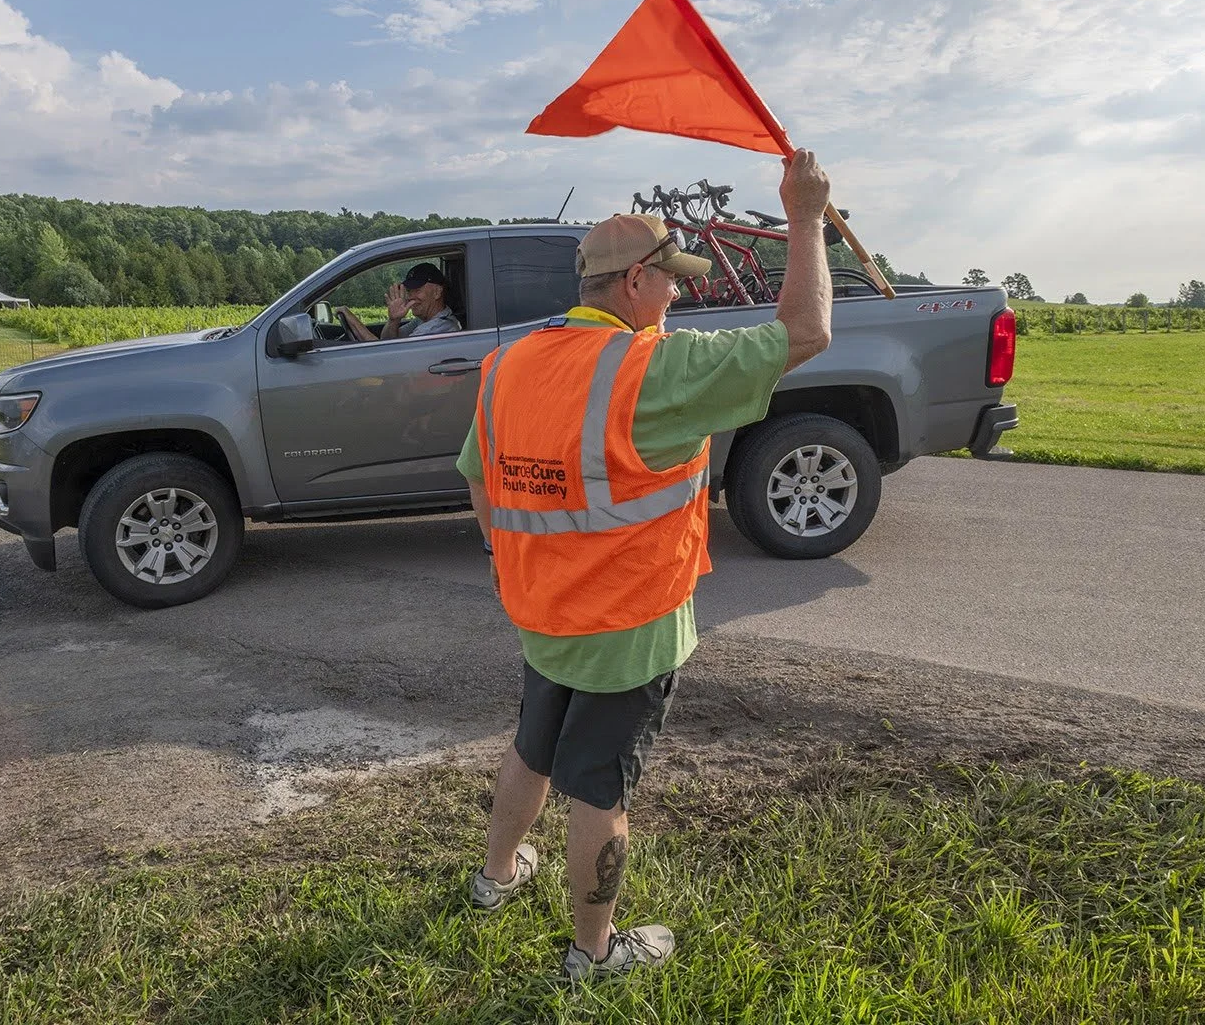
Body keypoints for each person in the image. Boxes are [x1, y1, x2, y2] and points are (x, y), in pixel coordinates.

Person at [455, 149, 834, 980]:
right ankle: (592, 952)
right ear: (634, 282)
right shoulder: (653, 367)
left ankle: (495, 878)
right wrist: (804, 213)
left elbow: (480, 481)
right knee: (602, 788)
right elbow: (805, 332)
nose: (682, 294)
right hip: (627, 625)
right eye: (671, 281)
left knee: (533, 746)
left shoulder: (508, 364)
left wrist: (514, 559)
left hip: (541, 609)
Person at [336, 262, 461, 341]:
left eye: (417, 290)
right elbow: (387, 340)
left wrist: (350, 316)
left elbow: (383, 354)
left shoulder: (438, 328)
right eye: (409, 290)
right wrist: (394, 320)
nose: (410, 296)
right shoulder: (422, 321)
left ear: (437, 292)